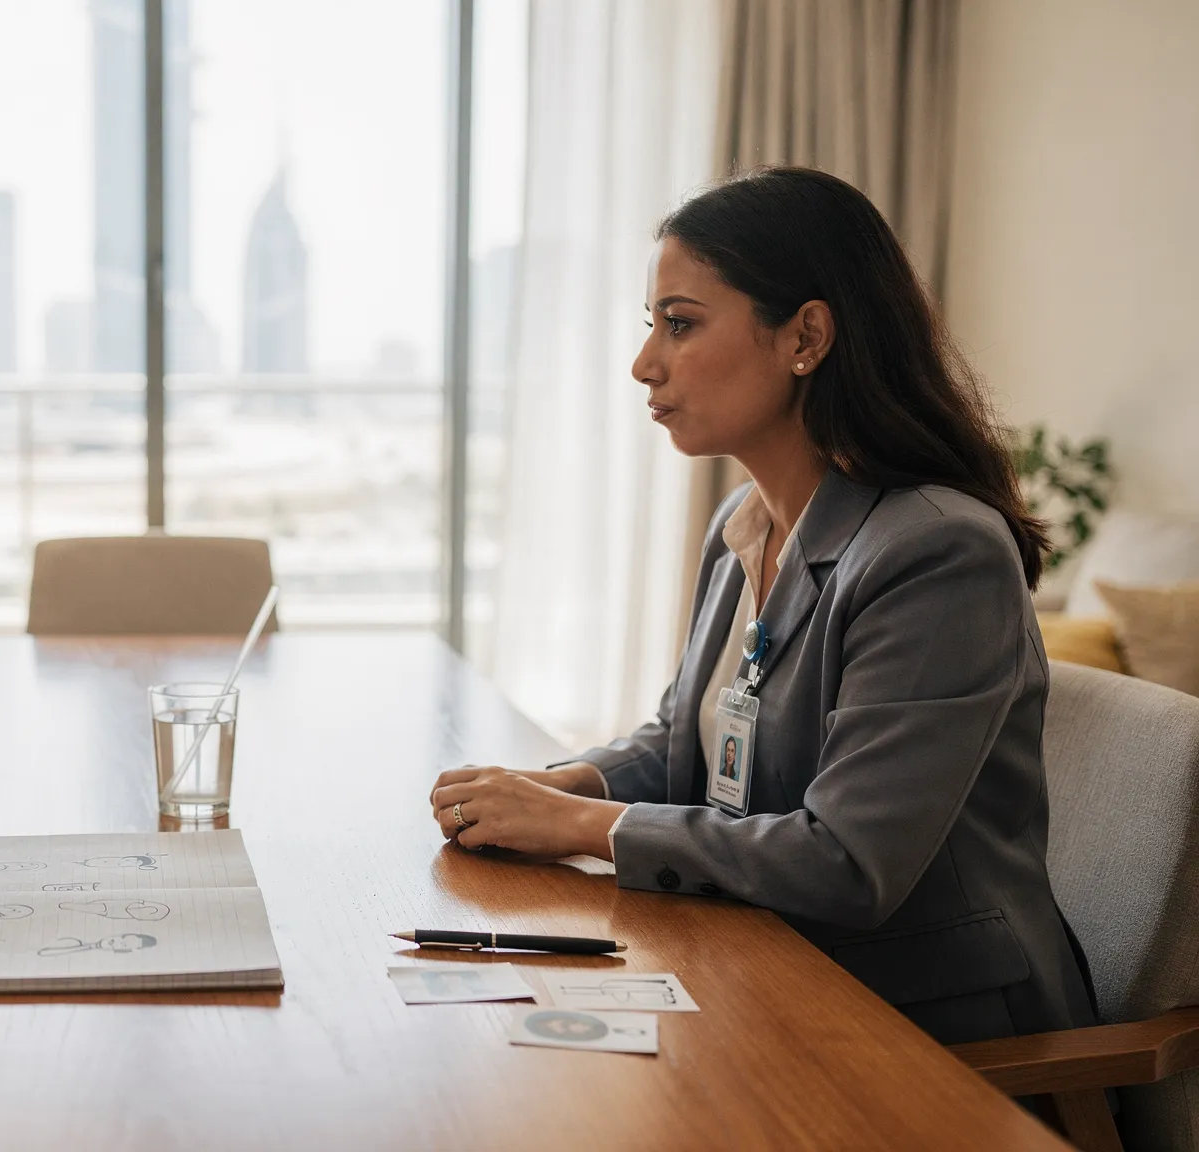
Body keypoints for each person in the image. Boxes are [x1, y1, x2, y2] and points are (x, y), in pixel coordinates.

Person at [428, 167, 1095, 1046]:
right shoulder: (743, 527)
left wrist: (579, 825)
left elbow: (848, 862)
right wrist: (551, 788)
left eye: (681, 324)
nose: (644, 363)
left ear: (806, 337)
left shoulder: (939, 554)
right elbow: (680, 746)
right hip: (761, 961)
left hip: (930, 1024)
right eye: (651, 325)